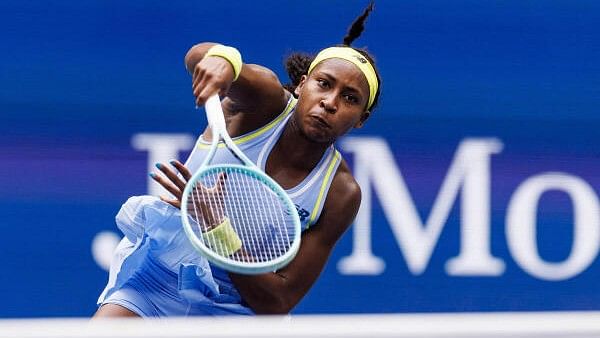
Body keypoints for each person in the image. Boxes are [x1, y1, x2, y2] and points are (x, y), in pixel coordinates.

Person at [94, 3, 381, 317]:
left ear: (361, 119)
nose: (330, 102)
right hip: (158, 279)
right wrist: (222, 61)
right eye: (323, 84)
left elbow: (278, 302)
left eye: (350, 98)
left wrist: (218, 229)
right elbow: (199, 55)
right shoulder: (264, 103)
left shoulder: (340, 192)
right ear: (301, 85)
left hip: (233, 312)